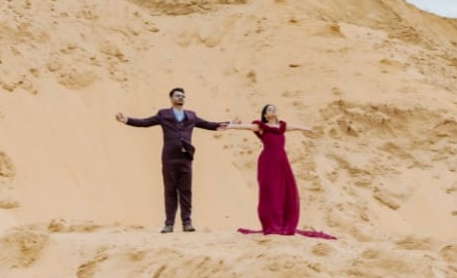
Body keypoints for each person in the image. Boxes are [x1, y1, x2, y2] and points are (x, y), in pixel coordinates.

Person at [116, 87, 229, 233]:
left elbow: (208, 124)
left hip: (186, 157)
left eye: (183, 96)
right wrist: (127, 120)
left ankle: (187, 223)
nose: (181, 98)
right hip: (169, 158)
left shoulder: (191, 116)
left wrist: (228, 124)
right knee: (170, 190)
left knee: (186, 190)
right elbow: (145, 122)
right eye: (177, 95)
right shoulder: (164, 114)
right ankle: (169, 223)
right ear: (171, 98)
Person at [227, 104, 335, 239]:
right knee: (270, 192)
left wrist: (308, 129)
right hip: (267, 162)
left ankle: (284, 223)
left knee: (285, 190)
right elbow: (246, 127)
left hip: (282, 162)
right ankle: (271, 225)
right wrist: (230, 125)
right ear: (265, 115)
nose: (273, 110)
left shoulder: (281, 127)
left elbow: (295, 127)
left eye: (274, 108)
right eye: (269, 109)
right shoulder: (261, 127)